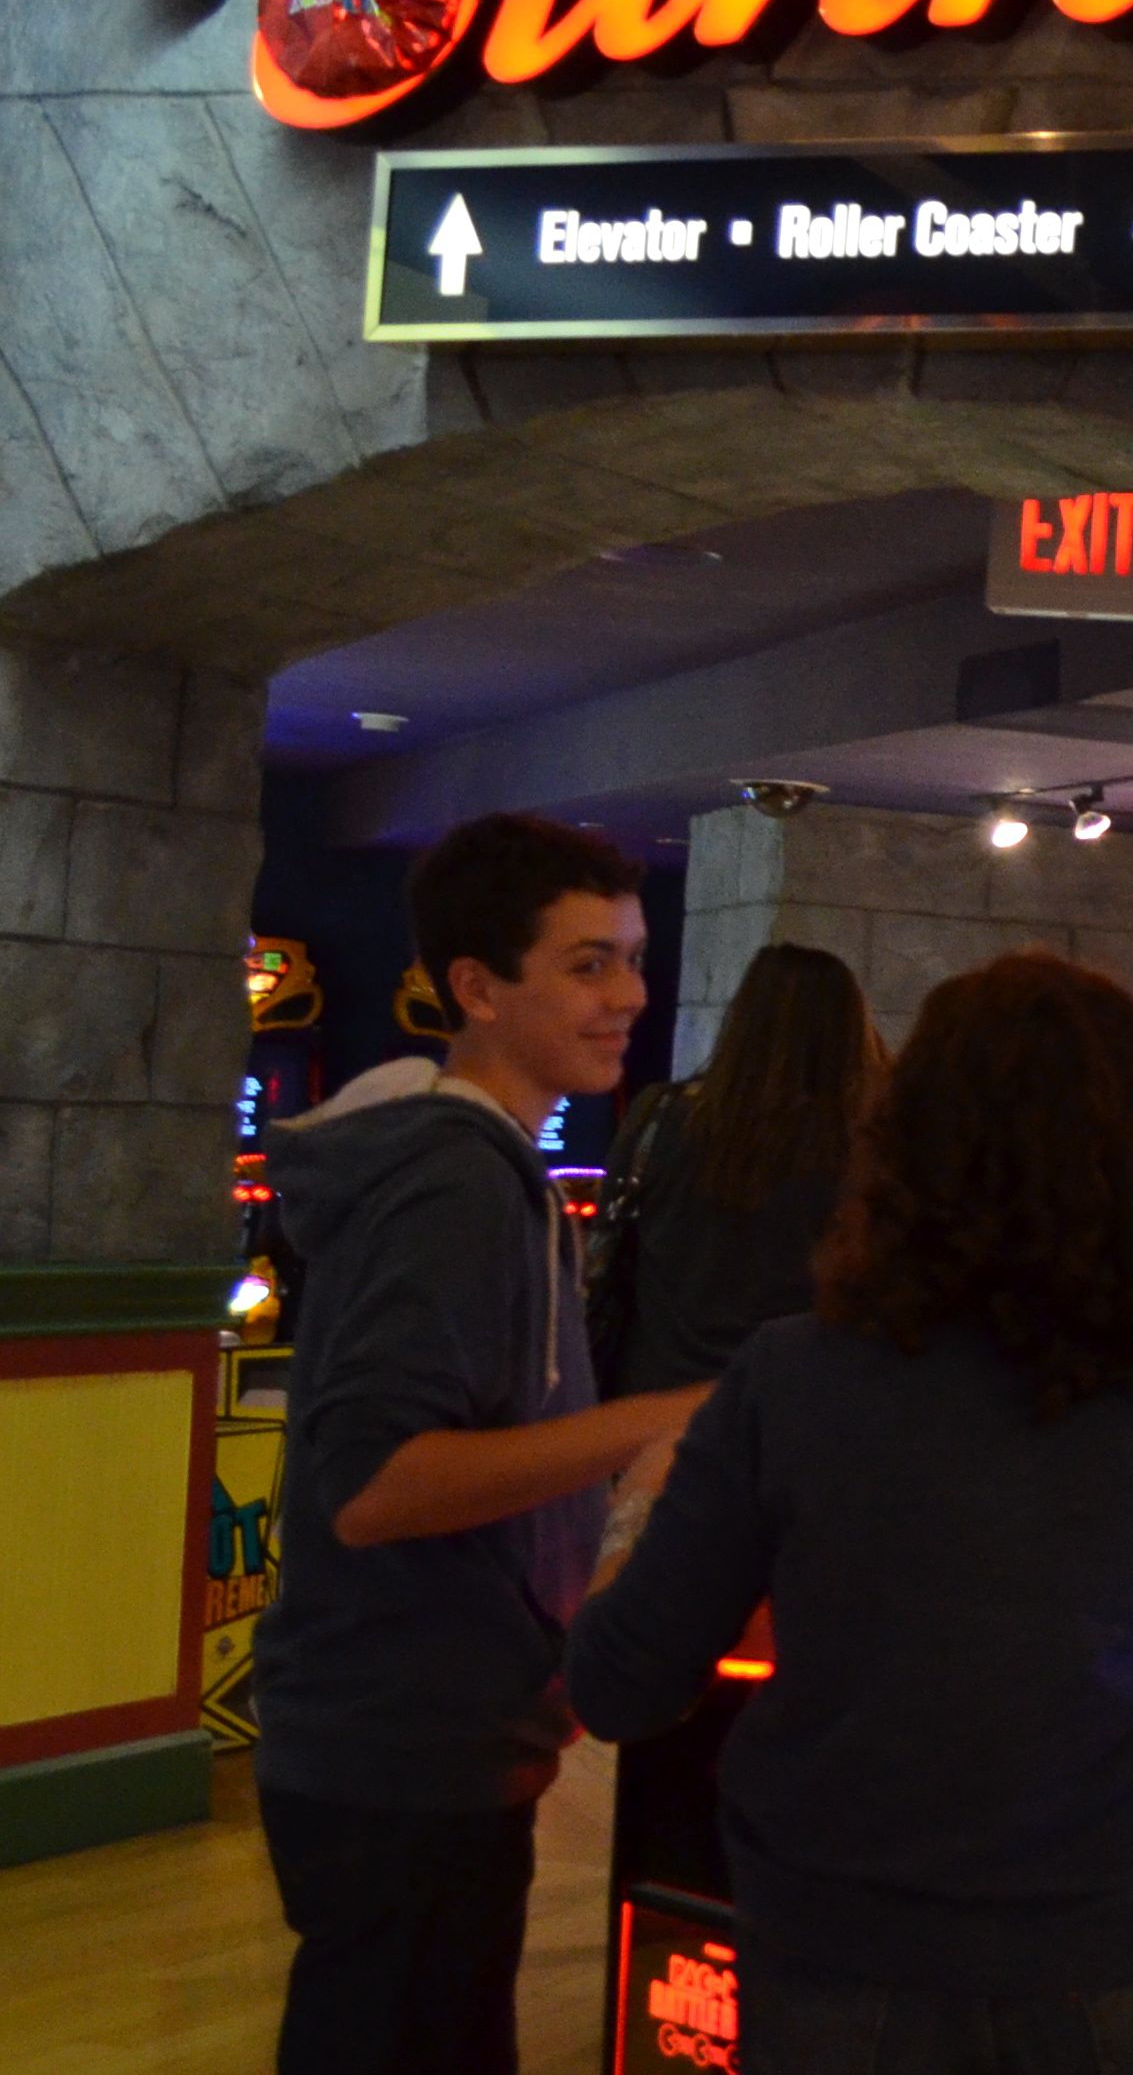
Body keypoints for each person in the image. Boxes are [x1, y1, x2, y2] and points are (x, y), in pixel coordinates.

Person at [569, 952, 1133, 2075]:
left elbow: (620, 1683)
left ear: (903, 1145)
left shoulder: (794, 1375)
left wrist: (637, 1502)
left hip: (852, 1937)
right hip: (1128, 1934)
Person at [249, 814, 709, 2075]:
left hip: (426, 1731)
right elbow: (372, 1485)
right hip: (400, 1737)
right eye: (587, 964)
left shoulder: (477, 1164)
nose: (629, 995)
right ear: (477, 986)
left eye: (632, 958)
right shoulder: (455, 1181)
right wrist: (660, 1415)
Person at [597, 943, 884, 1394]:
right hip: (797, 1400)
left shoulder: (660, 1115)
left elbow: (611, 1241)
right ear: (851, 1030)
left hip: (653, 1397)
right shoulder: (865, 1147)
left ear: (743, 1019)